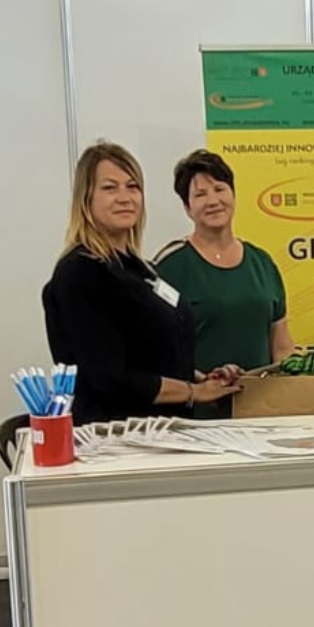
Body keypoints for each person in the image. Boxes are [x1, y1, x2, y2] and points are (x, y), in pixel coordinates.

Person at [42, 142, 234, 427]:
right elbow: (109, 376)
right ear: (86, 198)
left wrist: (202, 380)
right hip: (117, 437)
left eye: (132, 187)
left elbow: (147, 355)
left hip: (163, 431)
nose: (124, 197)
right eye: (110, 188)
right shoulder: (81, 272)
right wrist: (192, 392)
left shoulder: (138, 267)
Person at [153, 152, 296, 401]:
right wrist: (203, 382)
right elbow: (155, 353)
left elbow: (282, 347)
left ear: (233, 195)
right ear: (187, 207)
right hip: (196, 413)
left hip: (261, 411)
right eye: (200, 194)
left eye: (219, 189)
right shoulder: (170, 266)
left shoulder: (262, 262)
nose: (213, 201)